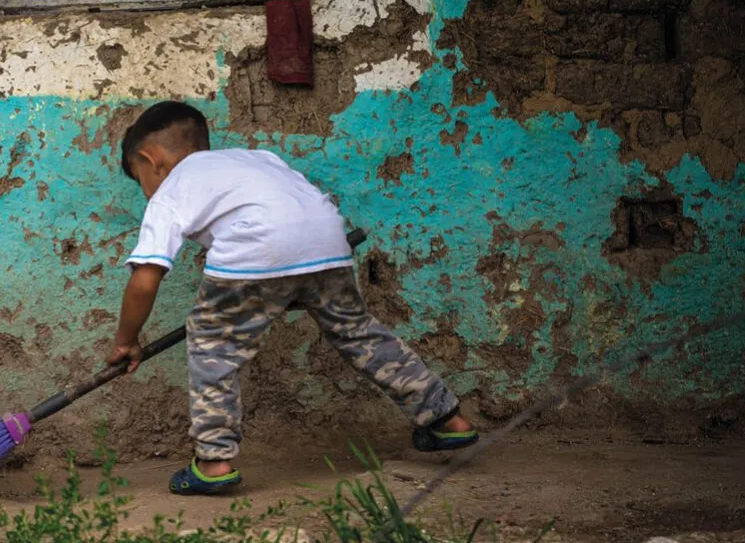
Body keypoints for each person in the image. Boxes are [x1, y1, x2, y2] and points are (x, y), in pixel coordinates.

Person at [107, 101, 477, 495]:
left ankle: (213, 461)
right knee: (358, 333)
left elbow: (146, 281)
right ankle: (446, 420)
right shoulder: (258, 160)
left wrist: (127, 341)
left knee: (214, 344)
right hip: (327, 244)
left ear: (152, 159)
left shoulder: (173, 188)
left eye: (139, 178)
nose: (146, 191)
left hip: (259, 249)